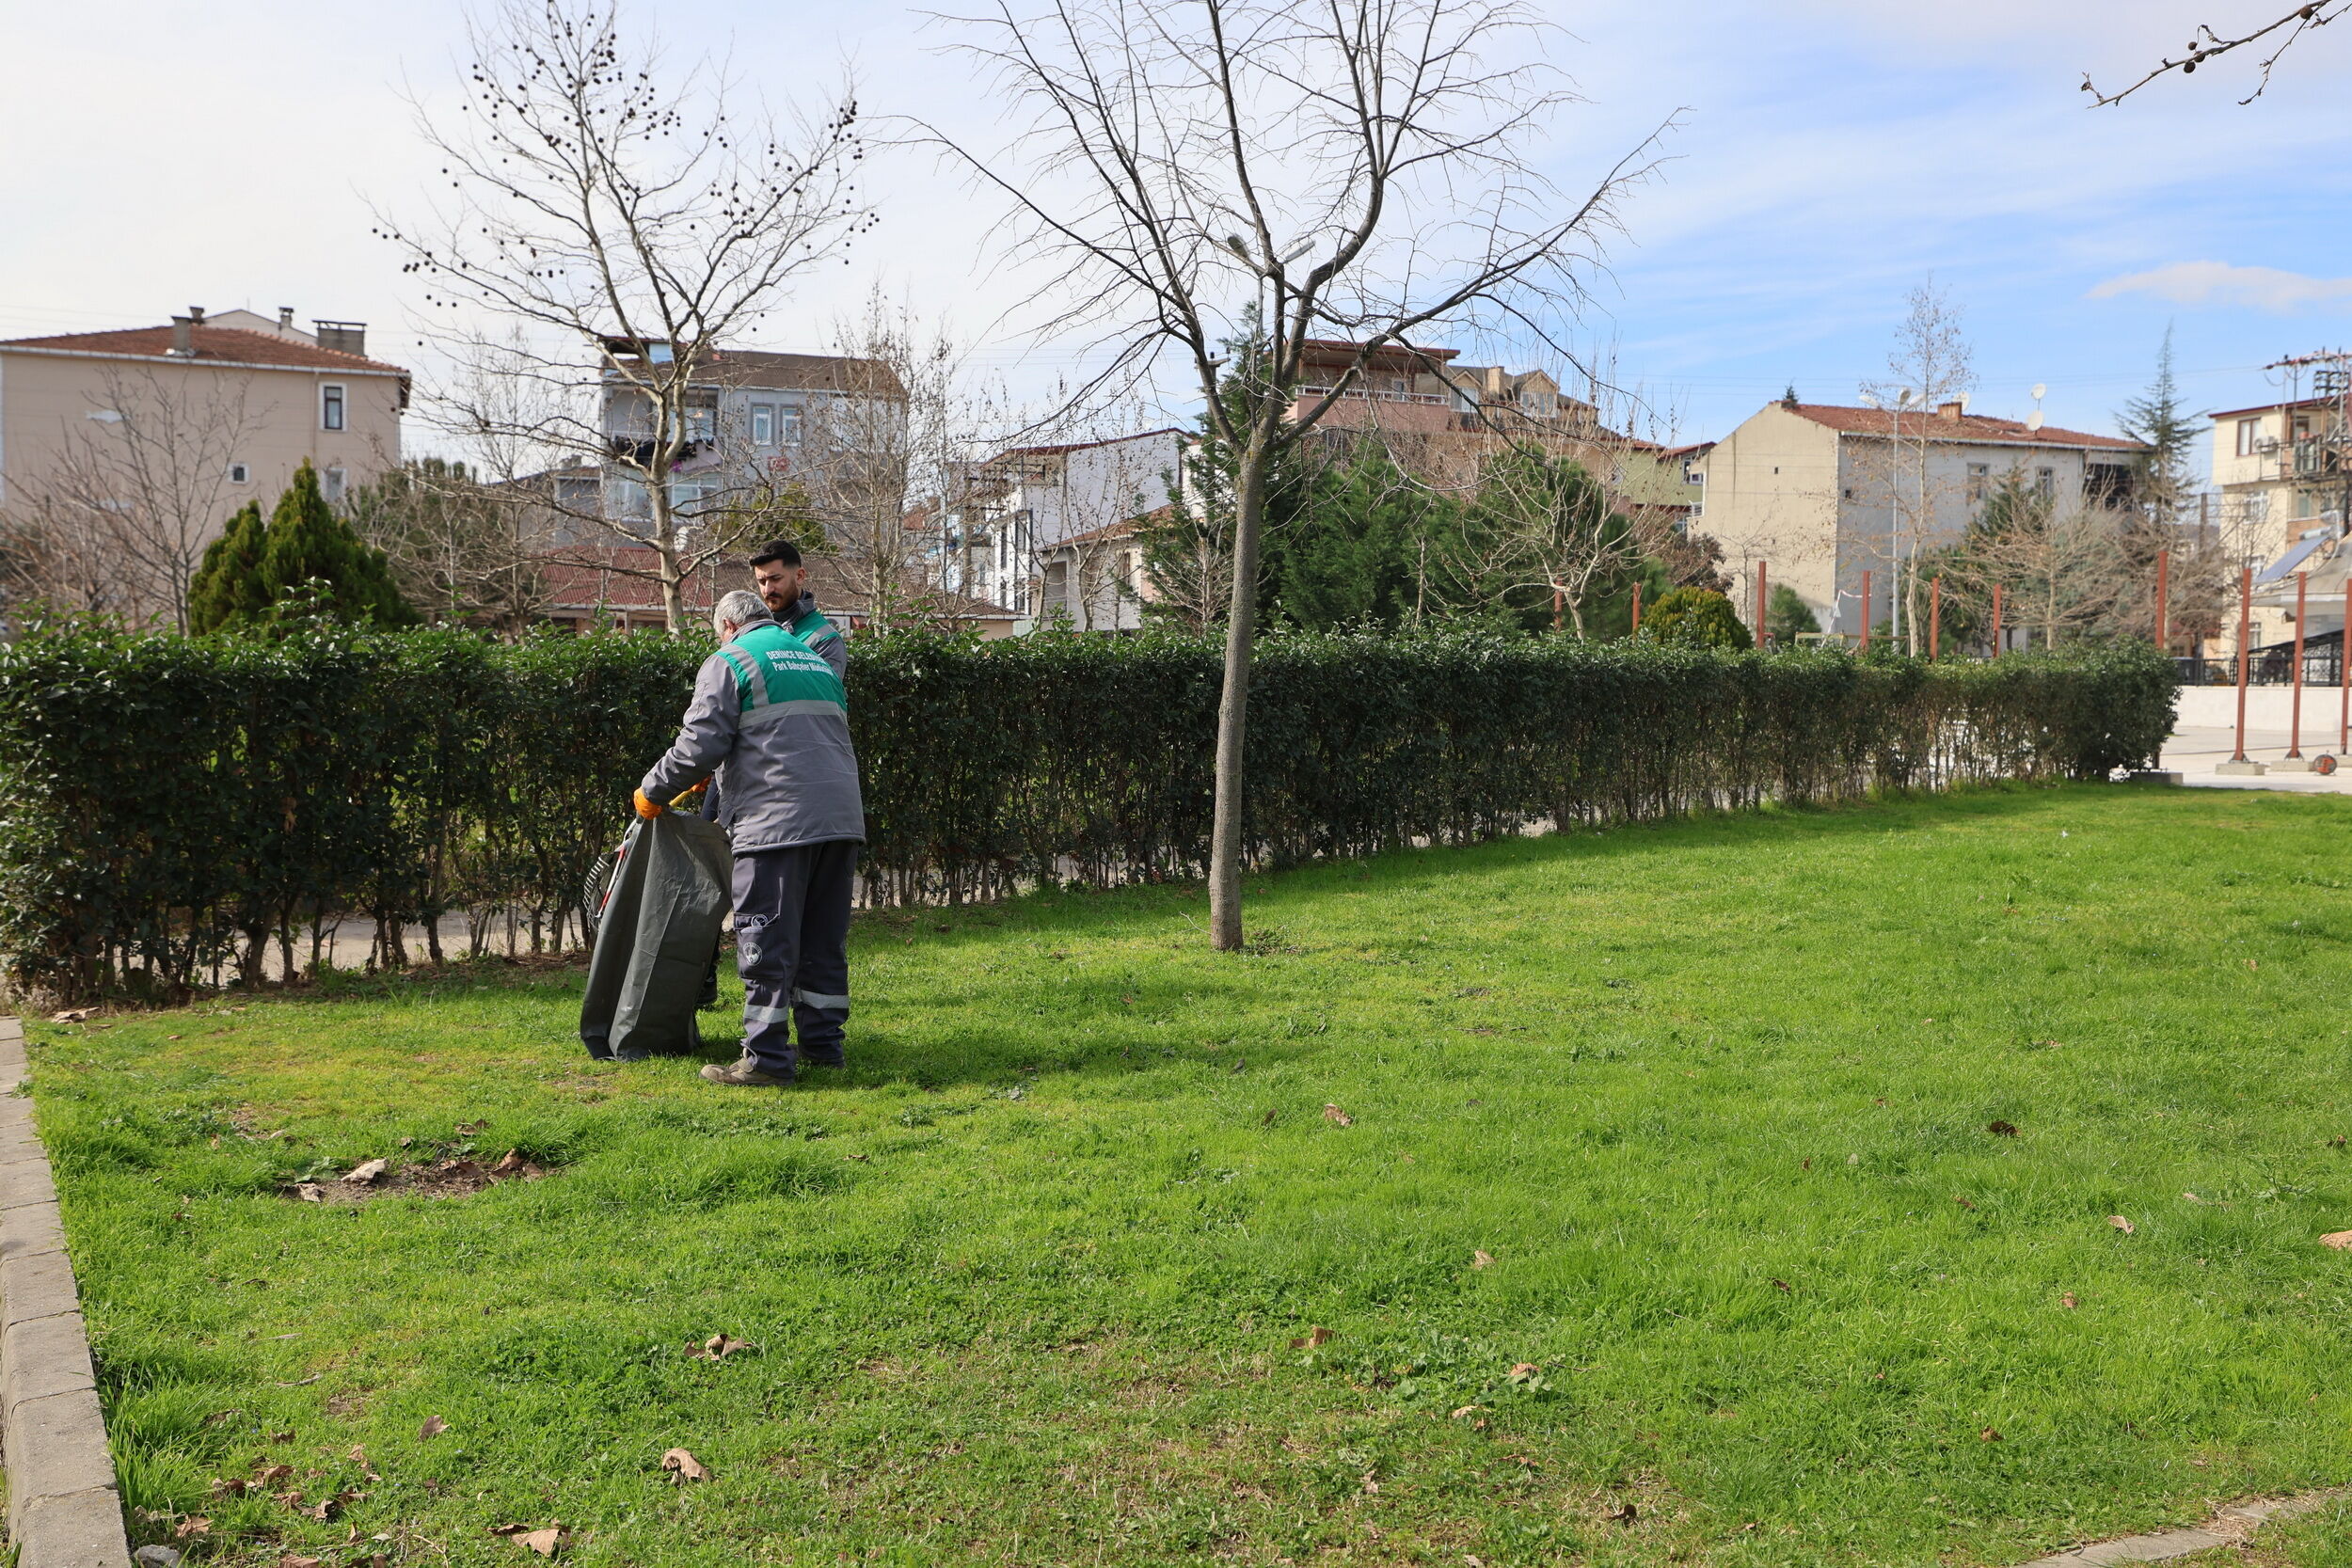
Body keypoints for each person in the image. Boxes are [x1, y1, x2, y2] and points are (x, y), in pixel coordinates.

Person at [635, 589, 864, 1087]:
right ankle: (824, 1049)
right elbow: (789, 737)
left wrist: (653, 790)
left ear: (726, 626)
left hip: (776, 823)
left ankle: (766, 1061)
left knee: (766, 939)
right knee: (822, 941)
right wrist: (720, 771)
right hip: (840, 818)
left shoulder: (730, 660)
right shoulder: (812, 656)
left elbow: (699, 741)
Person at [749, 539, 848, 678]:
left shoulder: (825, 640)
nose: (768, 589)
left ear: (800, 576)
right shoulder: (750, 628)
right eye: (762, 581)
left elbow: (820, 696)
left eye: (775, 579)